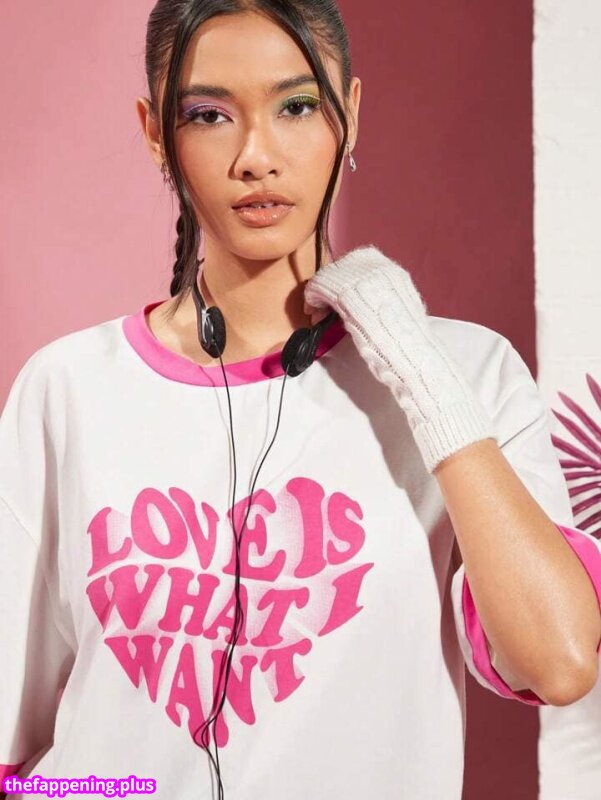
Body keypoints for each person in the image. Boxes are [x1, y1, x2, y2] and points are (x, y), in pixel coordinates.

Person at [1, 2, 601, 799]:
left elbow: (557, 661)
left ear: (348, 113)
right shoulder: (66, 388)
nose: (256, 156)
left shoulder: (468, 372)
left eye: (296, 106)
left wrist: (415, 366)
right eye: (208, 115)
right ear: (155, 133)